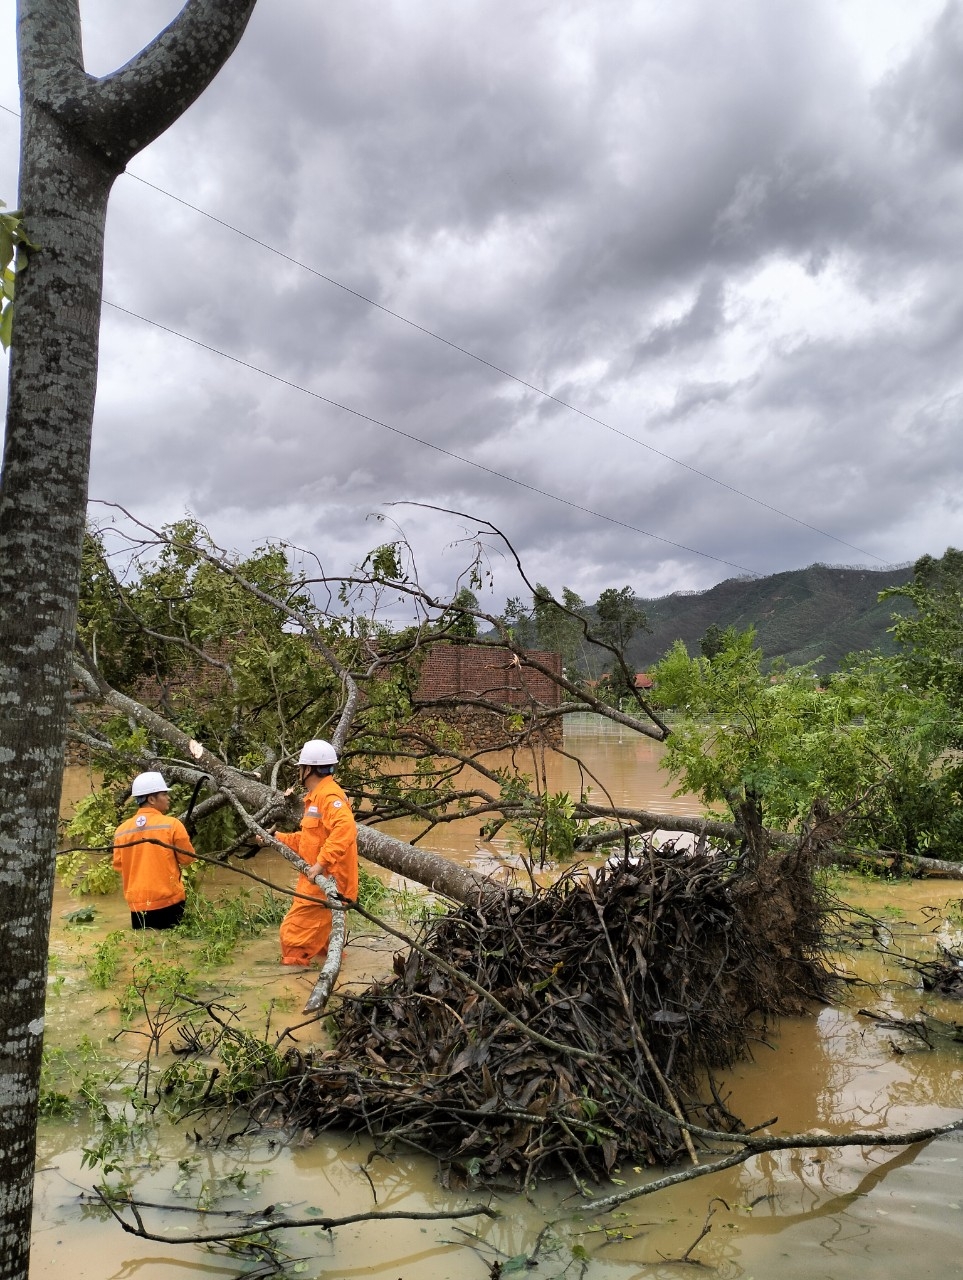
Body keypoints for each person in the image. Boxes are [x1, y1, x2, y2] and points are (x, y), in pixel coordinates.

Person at [272, 739, 359, 967]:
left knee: (293, 942)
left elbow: (345, 828)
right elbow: (311, 840)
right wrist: (277, 838)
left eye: (301, 767)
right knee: (324, 950)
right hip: (321, 884)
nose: (299, 772)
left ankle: (292, 985)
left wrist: (321, 864)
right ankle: (329, 980)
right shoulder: (316, 797)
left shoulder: (328, 796)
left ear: (309, 769)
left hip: (325, 886)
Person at [112, 771, 195, 930]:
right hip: (169, 902)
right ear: (151, 799)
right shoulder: (172, 825)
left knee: (144, 943)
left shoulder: (121, 831)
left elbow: (119, 866)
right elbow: (188, 859)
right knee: (171, 943)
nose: (168, 798)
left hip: (137, 905)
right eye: (164, 794)